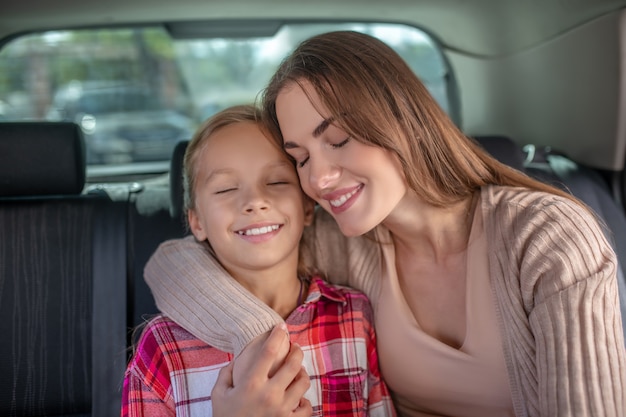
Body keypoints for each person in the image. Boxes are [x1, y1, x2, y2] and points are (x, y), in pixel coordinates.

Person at [144, 31, 626, 417]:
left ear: (403, 117)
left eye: (337, 138)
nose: (319, 178)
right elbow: (176, 262)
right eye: (301, 158)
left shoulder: (546, 237)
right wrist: (257, 340)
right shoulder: (341, 242)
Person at [122, 104, 396, 417]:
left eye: (277, 182)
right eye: (226, 188)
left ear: (308, 207)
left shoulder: (353, 315)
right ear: (196, 222)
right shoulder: (163, 346)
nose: (254, 202)